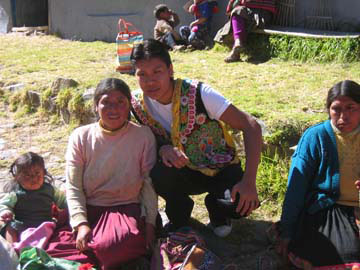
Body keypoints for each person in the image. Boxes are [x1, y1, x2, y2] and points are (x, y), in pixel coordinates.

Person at [130, 39, 262, 237]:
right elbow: (140, 140)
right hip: (181, 171)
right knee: (155, 170)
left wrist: (249, 182)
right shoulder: (136, 105)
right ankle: (179, 217)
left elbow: (251, 126)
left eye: (157, 72)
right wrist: (162, 149)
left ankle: (218, 209)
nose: (150, 81)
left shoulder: (200, 93)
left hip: (220, 167)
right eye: (142, 74)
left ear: (170, 70)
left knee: (240, 204)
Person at [46, 78, 157, 270]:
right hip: (90, 207)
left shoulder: (143, 136)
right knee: (52, 248)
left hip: (124, 208)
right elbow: (73, 186)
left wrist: (150, 225)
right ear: (96, 105)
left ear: (129, 105)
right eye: (106, 102)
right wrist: (81, 223)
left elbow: (149, 184)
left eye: (120, 102)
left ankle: (105, 253)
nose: (113, 108)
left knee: (115, 243)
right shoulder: (80, 137)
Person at [274, 80, 360, 269]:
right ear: (328, 110)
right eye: (336, 109)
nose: (343, 117)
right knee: (343, 259)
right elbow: (295, 188)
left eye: (351, 108)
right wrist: (287, 232)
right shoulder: (315, 137)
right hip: (330, 208)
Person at [0, 152, 66, 244]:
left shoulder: (50, 190)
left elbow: (64, 202)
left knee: (60, 230)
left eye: (37, 173)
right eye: (27, 175)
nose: (34, 178)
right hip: (22, 226)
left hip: (44, 225)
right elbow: (4, 204)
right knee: (10, 227)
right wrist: (6, 212)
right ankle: (12, 249)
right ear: (18, 177)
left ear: (44, 173)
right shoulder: (16, 193)